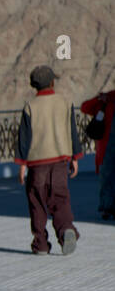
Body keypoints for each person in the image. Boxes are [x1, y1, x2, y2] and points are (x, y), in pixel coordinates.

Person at [16, 65, 81, 255]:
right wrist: (75, 157)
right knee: (60, 198)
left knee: (37, 201)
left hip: (37, 164)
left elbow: (24, 137)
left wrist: (21, 164)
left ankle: (41, 243)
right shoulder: (65, 102)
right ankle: (66, 230)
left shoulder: (30, 107)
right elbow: (72, 132)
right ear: (52, 82)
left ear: (34, 85)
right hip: (60, 161)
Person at [78, 85, 115, 220]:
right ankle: (107, 207)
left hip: (106, 149)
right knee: (107, 178)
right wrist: (99, 99)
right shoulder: (106, 101)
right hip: (107, 149)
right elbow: (85, 107)